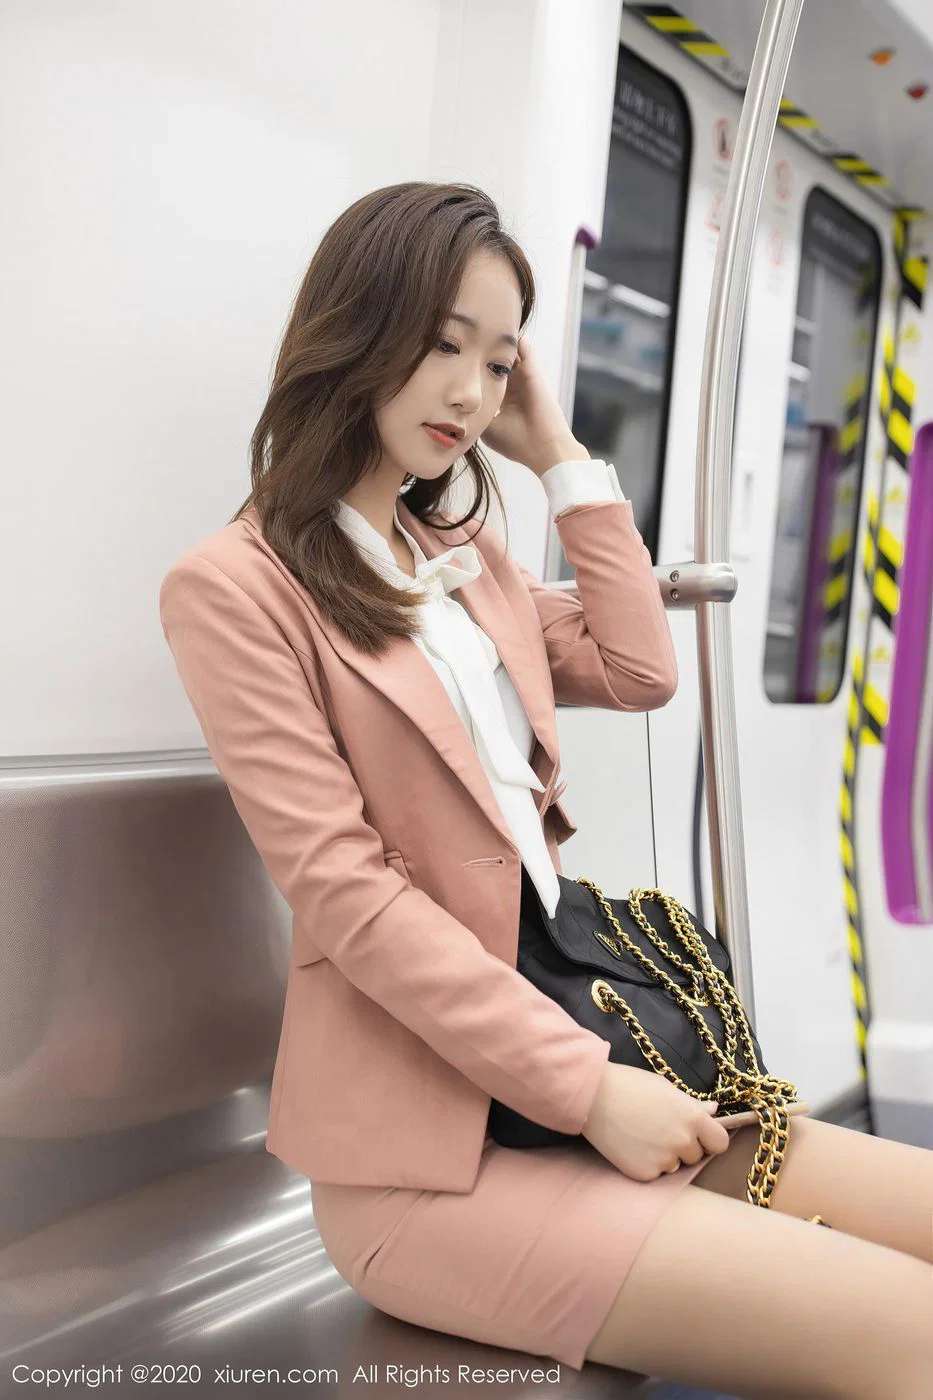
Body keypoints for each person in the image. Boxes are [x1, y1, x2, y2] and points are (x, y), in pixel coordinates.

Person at [159, 182, 933, 1398]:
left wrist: (561, 456)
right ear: (357, 328)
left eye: (498, 360)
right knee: (912, 1332)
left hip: (570, 1070)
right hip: (429, 1163)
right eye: (443, 342)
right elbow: (348, 897)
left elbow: (638, 667)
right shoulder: (235, 588)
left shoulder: (459, 556)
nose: (471, 392)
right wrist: (588, 1090)